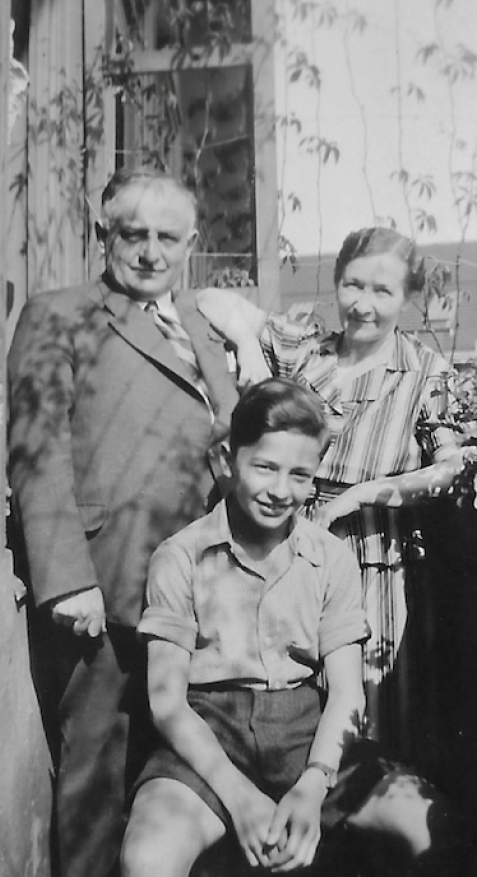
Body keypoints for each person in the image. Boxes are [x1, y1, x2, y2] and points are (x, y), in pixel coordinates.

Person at [121, 379, 459, 877]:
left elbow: (346, 692)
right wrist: (241, 800)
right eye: (265, 467)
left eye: (300, 475)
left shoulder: (330, 557)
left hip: (306, 733)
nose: (281, 490)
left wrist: (313, 785)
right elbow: (167, 704)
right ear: (228, 460)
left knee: (435, 828)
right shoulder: (180, 557)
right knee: (146, 867)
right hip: (207, 735)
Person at [7, 166, 242, 877]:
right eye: (131, 234)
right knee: (96, 775)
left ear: (191, 243)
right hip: (106, 584)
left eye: (167, 237)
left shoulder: (205, 327)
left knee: (175, 771)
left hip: (199, 589)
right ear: (101, 232)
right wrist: (65, 576)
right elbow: (38, 449)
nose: (149, 252)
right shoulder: (61, 314)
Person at [197, 227, 463, 755]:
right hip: (285, 551)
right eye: (352, 285)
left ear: (407, 297)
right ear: (337, 282)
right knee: (282, 699)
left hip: (371, 563)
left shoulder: (424, 373)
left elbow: (451, 468)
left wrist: (361, 495)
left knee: (365, 716)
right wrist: (250, 346)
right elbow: (207, 299)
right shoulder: (304, 352)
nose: (363, 304)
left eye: (382, 291)